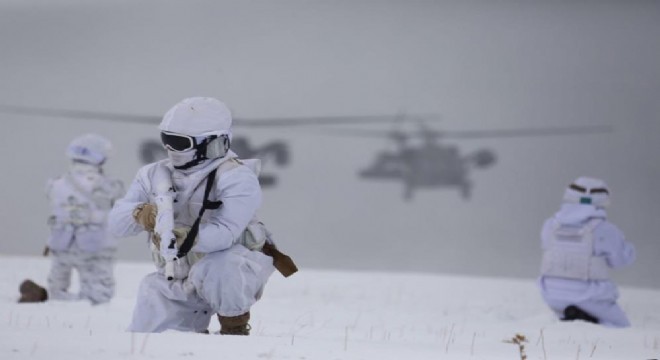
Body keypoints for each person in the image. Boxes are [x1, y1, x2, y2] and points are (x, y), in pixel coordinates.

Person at [107, 97, 296, 335]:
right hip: (175, 273)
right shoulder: (153, 174)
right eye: (167, 139)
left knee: (221, 266)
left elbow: (226, 233)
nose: (171, 149)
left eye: (180, 142)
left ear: (212, 142)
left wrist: (184, 237)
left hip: (233, 272)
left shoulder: (236, 177)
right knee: (148, 338)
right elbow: (115, 224)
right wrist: (140, 215)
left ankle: (234, 327)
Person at [18, 134, 125, 305]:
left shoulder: (57, 183)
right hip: (92, 244)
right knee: (98, 294)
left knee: (59, 285)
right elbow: (117, 199)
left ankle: (56, 300)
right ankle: (74, 303)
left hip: (63, 241)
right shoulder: (105, 184)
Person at [538, 176, 636, 327]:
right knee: (621, 328)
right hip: (590, 294)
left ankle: (576, 319)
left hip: (551, 293)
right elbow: (619, 261)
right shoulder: (604, 229)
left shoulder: (550, 225)